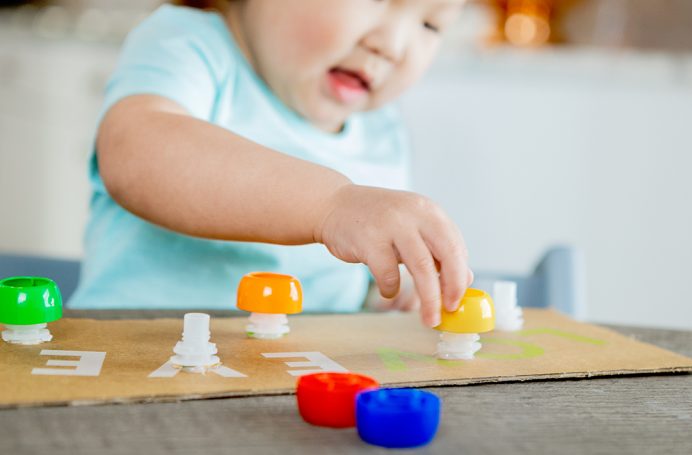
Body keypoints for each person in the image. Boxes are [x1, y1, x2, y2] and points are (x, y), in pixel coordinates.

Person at [69, 0, 471, 328]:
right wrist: (331, 205)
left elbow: (343, 278)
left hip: (288, 384)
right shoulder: (189, 43)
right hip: (132, 357)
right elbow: (138, 153)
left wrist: (387, 296)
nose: (393, 46)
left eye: (432, 25)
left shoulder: (383, 130)